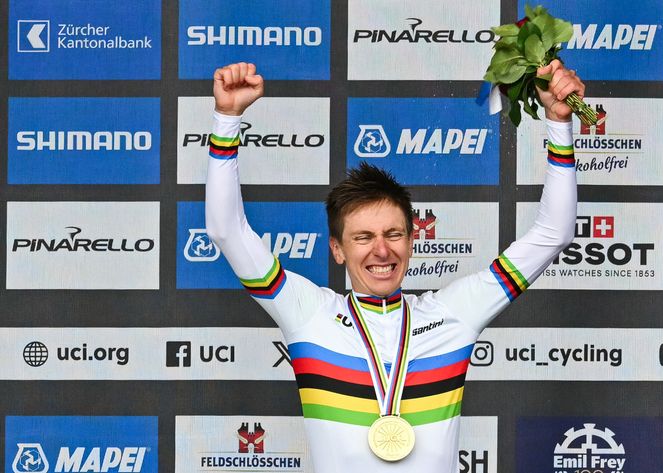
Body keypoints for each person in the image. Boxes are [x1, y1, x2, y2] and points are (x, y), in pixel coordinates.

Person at [206, 61, 581, 472]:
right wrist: (227, 118)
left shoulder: (452, 314)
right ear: (337, 249)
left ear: (412, 239)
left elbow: (554, 233)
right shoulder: (308, 312)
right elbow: (227, 231)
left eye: (393, 234)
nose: (381, 251)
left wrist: (559, 123)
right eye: (363, 238)